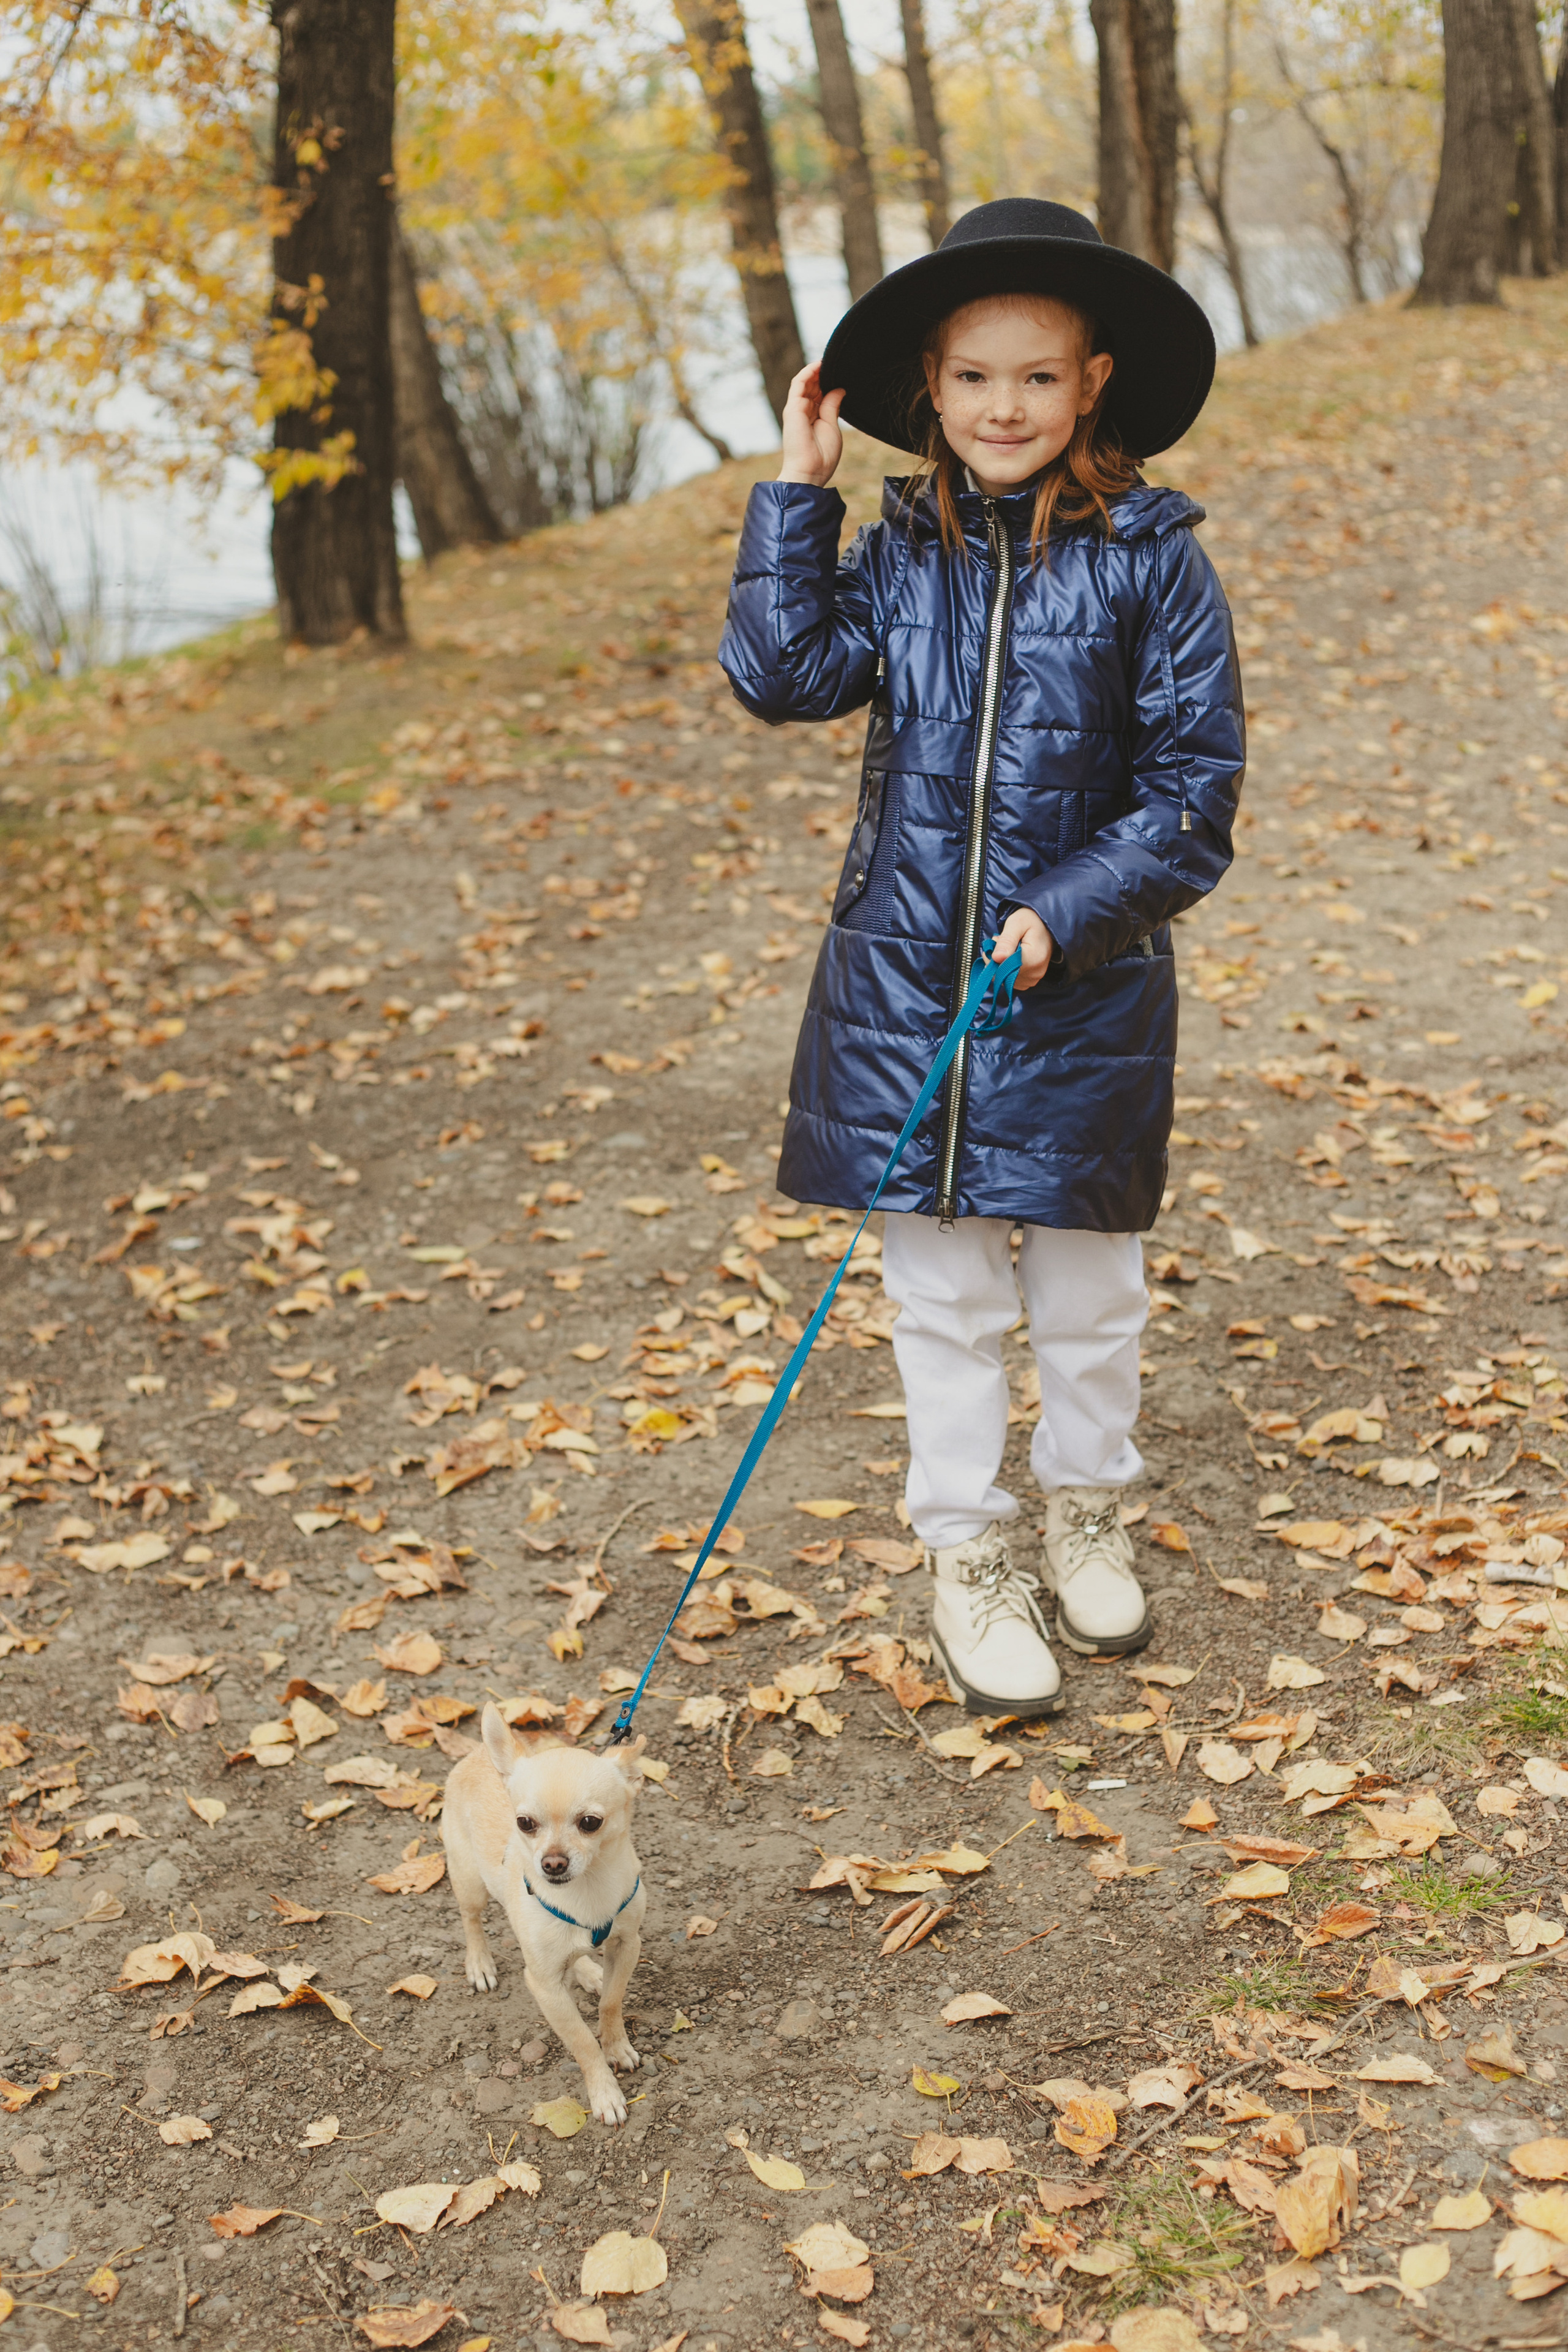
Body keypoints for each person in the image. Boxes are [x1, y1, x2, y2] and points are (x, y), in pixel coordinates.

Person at [717, 198, 1245, 1719]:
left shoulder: (1152, 564)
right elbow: (782, 677)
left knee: (1086, 1298)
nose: (1000, 407)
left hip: (1076, 990)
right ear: (926, 396)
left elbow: (1188, 796)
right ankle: (966, 1547)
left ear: (1091, 386)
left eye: (1033, 377)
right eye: (968, 379)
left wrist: (1072, 906)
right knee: (942, 1300)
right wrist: (792, 497)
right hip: (903, 992)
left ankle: (1085, 1509)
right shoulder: (902, 554)